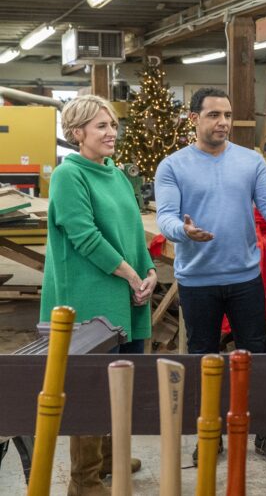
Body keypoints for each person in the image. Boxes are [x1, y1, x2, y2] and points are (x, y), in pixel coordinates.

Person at [155, 87, 266, 467]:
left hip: (244, 278)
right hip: (197, 280)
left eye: (226, 115)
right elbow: (167, 217)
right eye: (213, 115)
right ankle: (209, 436)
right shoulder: (173, 166)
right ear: (194, 119)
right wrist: (183, 231)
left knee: (256, 358)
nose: (223, 122)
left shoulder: (249, 161)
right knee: (202, 360)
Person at [40, 95, 156, 496]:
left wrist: (150, 273)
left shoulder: (116, 174)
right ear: (77, 134)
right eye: (101, 126)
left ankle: (109, 458)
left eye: (112, 124)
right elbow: (85, 236)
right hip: (88, 300)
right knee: (90, 388)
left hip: (123, 291)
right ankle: (84, 479)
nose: (112, 132)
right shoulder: (68, 175)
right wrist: (129, 275)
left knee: (120, 381)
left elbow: (135, 232)